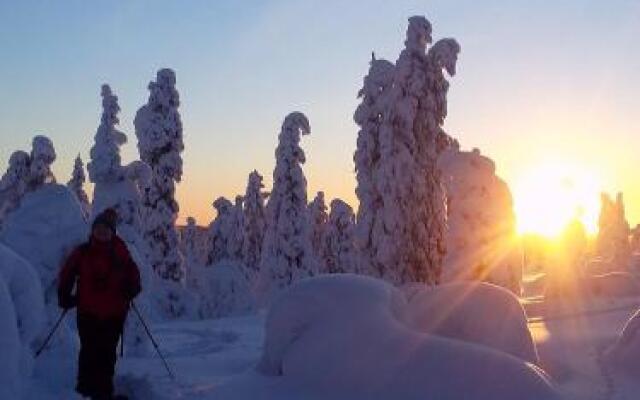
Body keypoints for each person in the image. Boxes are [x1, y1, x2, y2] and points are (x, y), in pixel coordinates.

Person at [58, 208, 141, 400]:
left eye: (106, 229)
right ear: (93, 230)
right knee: (88, 351)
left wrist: (132, 289)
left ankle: (102, 393)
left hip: (114, 314)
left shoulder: (121, 251)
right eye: (98, 228)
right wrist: (64, 294)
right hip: (88, 312)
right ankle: (85, 391)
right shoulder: (83, 252)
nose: (102, 232)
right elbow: (68, 272)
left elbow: (134, 274)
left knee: (107, 354)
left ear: (112, 232)